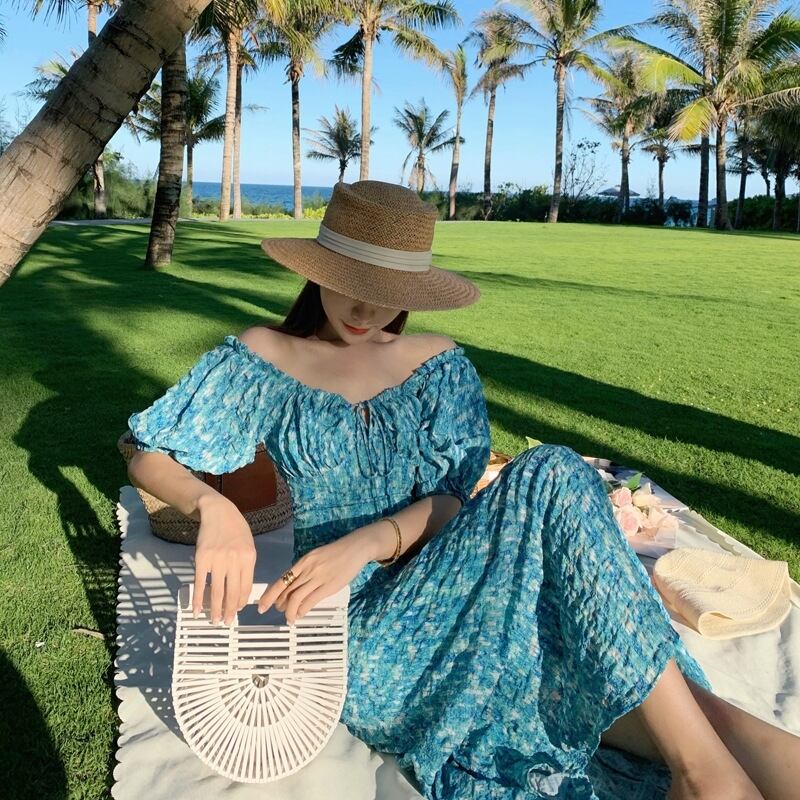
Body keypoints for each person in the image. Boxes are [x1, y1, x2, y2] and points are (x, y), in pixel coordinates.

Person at [126, 180, 798, 800]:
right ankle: (707, 774)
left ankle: (719, 767)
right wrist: (214, 507)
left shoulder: (435, 362)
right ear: (319, 270)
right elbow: (148, 452)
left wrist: (367, 541)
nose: (366, 308)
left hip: (462, 576)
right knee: (555, 487)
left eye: (389, 289)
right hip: (357, 630)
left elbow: (452, 504)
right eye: (352, 282)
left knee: (565, 535)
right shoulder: (267, 358)